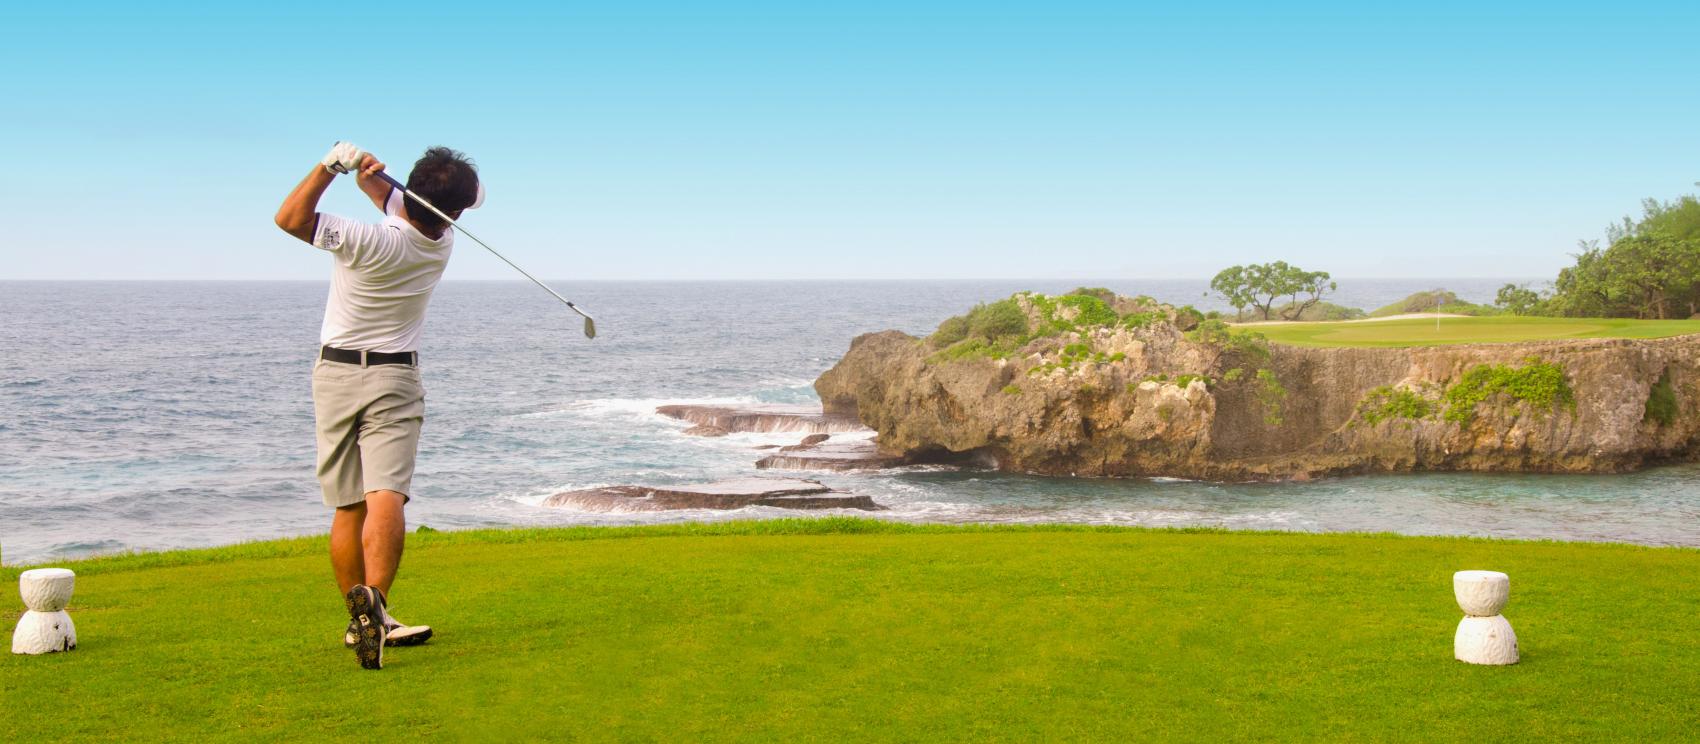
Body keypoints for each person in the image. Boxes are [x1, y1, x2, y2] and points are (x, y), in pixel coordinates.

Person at [273, 142, 482, 669]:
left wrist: (330, 167)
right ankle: (377, 606)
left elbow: (289, 218)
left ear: (411, 193)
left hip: (335, 373)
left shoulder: (365, 238)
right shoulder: (442, 241)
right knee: (386, 493)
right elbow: (396, 203)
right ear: (452, 211)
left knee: (349, 505)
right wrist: (369, 176)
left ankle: (359, 618)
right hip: (394, 375)